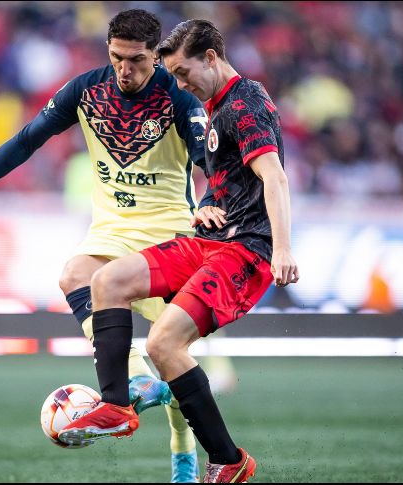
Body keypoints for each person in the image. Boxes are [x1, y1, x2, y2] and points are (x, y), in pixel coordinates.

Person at [0, 9, 228, 482]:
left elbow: (210, 158)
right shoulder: (85, 91)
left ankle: (184, 460)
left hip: (171, 234)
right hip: (112, 232)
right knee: (74, 274)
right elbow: (25, 141)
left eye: (137, 60)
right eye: (117, 58)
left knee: (176, 363)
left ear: (156, 57)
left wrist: (210, 202)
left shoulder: (180, 98)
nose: (126, 69)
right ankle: (135, 379)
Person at [58, 19, 300, 483]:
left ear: (211, 57)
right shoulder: (216, 105)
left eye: (184, 72)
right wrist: (209, 203)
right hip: (208, 241)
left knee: (163, 344)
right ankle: (116, 407)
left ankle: (228, 461)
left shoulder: (243, 104)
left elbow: (275, 176)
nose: (179, 83)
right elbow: (223, 177)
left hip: (245, 252)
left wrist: (282, 248)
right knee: (105, 280)